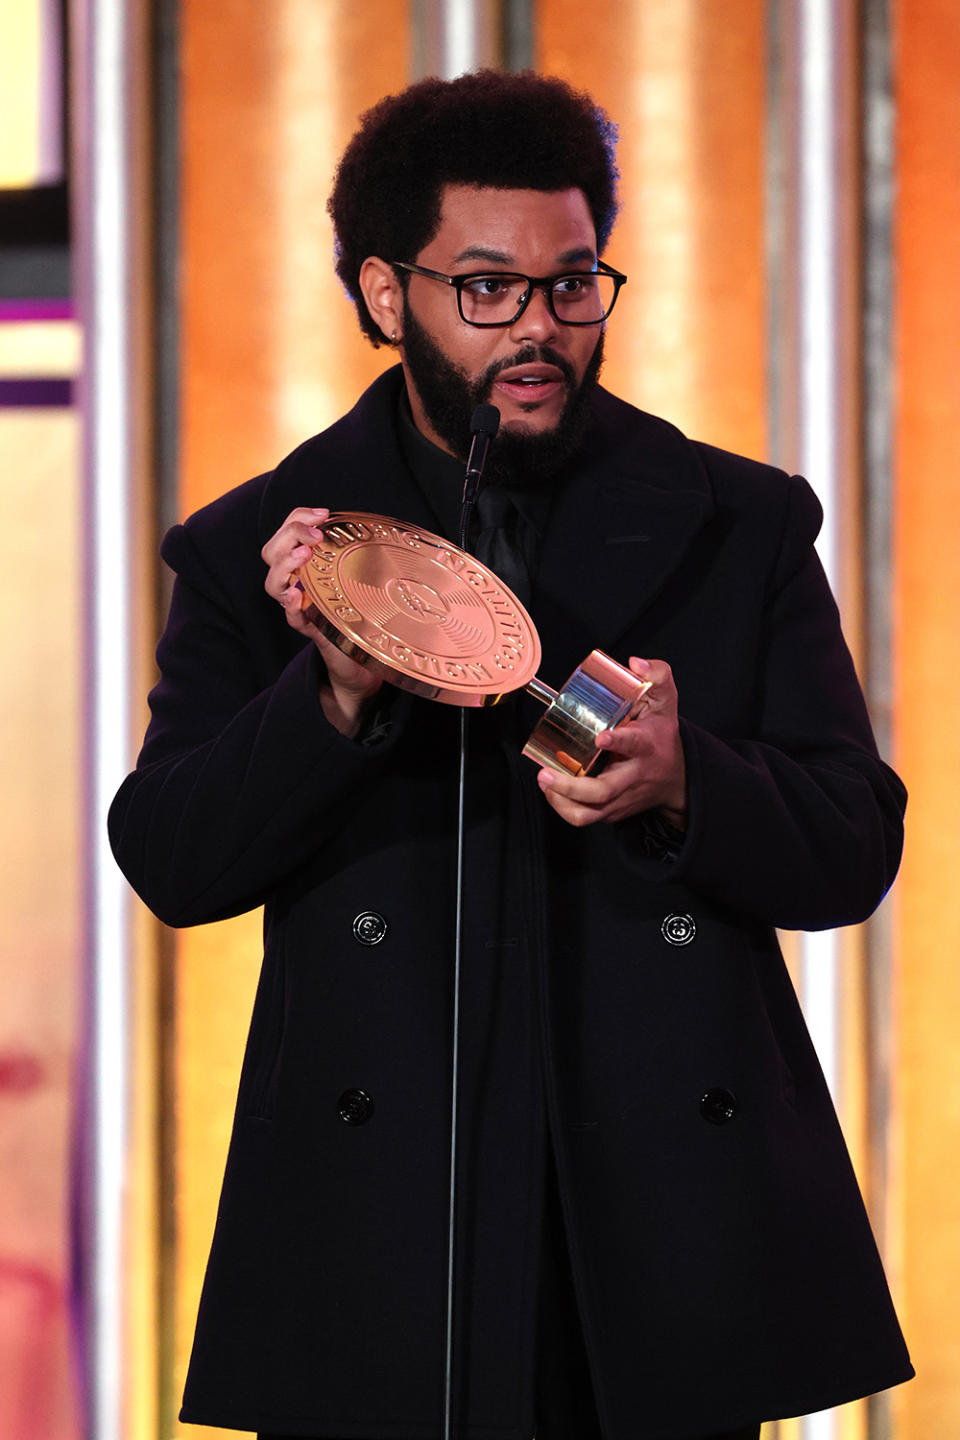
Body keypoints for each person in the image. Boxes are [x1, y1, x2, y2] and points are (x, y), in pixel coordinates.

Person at [109, 70, 913, 1440]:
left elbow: (855, 839)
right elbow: (174, 860)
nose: (539, 327)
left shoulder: (740, 523)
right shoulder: (264, 553)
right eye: (486, 289)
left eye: (572, 282)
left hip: (656, 1216)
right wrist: (331, 703)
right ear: (383, 293)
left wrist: (686, 783)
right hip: (383, 1217)